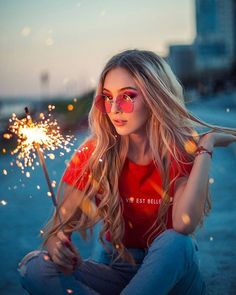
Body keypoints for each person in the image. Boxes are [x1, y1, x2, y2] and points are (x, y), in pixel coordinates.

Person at [18, 49, 236, 295]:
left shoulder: (179, 151)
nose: (114, 109)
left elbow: (183, 224)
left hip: (173, 276)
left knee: (177, 241)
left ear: (156, 97)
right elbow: (56, 230)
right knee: (34, 266)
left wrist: (205, 147)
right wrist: (57, 244)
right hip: (115, 270)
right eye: (107, 98)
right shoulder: (92, 154)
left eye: (127, 96)